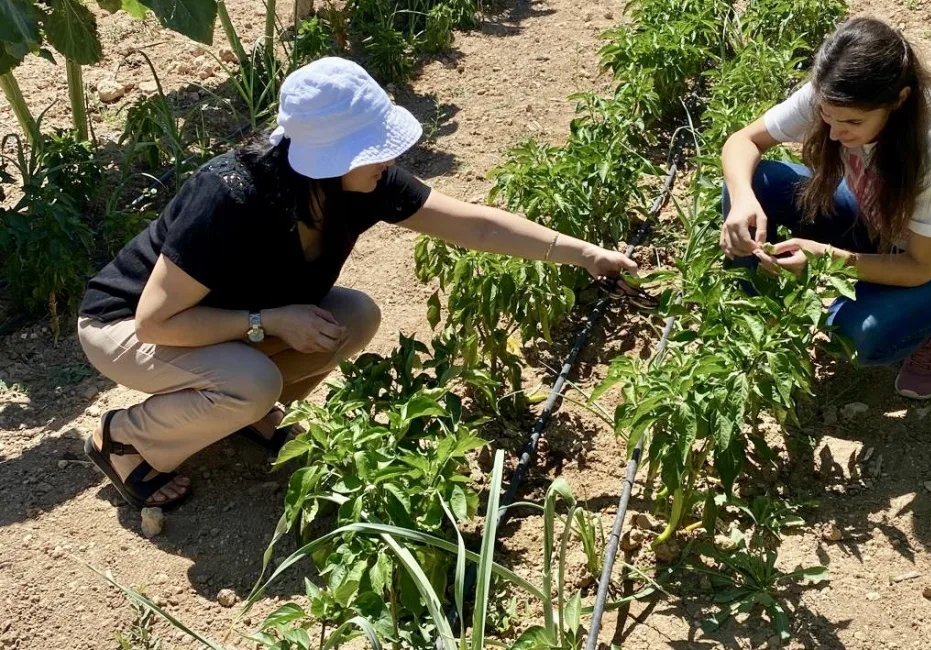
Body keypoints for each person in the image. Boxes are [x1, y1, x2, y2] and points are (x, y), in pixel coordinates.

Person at [78, 57, 639, 509]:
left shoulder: (359, 184)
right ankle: (126, 440)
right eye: (373, 148)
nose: (391, 157)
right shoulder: (230, 196)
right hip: (129, 328)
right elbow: (156, 322)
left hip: (220, 323)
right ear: (326, 156)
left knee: (353, 317)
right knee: (249, 380)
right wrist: (270, 321)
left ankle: (243, 416)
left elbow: (473, 222)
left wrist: (584, 254)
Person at [719, 17, 931, 401]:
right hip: (879, 227)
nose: (836, 133)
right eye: (827, 116)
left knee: (860, 333)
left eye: (853, 123)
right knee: (760, 182)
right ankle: (751, 321)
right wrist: (742, 198)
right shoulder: (835, 95)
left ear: (898, 101)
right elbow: (743, 141)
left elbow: (919, 266)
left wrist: (828, 258)